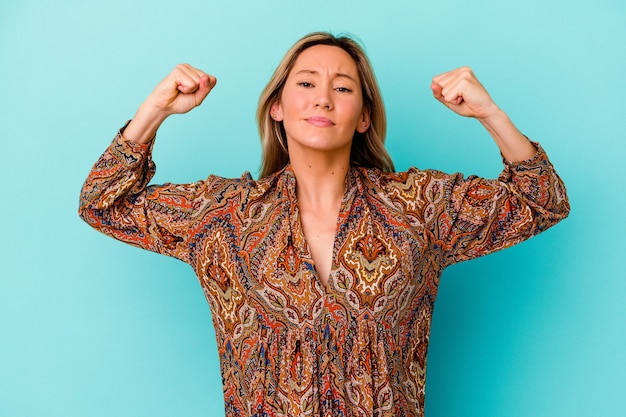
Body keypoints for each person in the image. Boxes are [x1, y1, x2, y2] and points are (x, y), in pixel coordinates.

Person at [79, 32, 569, 417]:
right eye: (306, 83)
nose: (323, 99)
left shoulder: (418, 208)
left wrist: (489, 113)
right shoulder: (223, 215)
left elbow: (541, 199)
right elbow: (101, 203)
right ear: (277, 107)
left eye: (343, 87)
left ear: (362, 117)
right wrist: (155, 110)